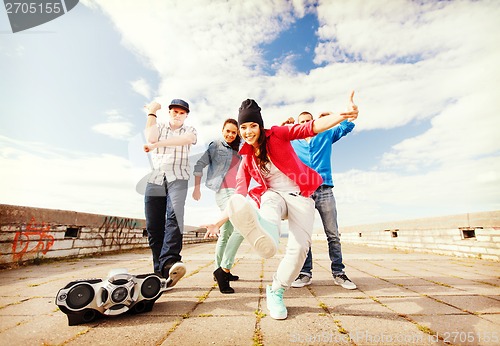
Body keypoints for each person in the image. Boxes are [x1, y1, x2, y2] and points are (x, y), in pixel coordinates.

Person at [202, 93, 358, 319]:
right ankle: (268, 237)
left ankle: (276, 290)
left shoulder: (278, 134)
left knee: (300, 249)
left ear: (260, 125)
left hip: (300, 194)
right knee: (269, 205)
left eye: (252, 125)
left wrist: (342, 115)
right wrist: (218, 221)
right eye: (243, 127)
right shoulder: (247, 156)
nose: (247, 132)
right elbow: (239, 194)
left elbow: (310, 128)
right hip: (273, 195)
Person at [284, 108, 357, 290]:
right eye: (302, 122)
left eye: (309, 121)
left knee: (332, 234)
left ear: (314, 122)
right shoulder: (293, 141)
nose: (305, 124)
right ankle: (305, 273)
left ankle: (339, 273)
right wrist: (284, 126)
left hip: (325, 190)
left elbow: (346, 127)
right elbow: (273, 142)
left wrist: (335, 116)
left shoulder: (325, 134)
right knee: (304, 235)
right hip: (303, 193)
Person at [143, 99, 197, 289]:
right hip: (156, 178)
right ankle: (160, 272)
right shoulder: (159, 126)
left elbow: (185, 141)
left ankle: (170, 261)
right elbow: (150, 137)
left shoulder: (190, 130)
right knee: (153, 225)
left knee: (173, 217)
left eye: (181, 113)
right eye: (174, 111)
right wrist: (152, 111)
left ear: (186, 115)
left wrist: (158, 145)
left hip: (178, 178)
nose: (177, 115)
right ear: (169, 112)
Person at [192, 118, 244, 294]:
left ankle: (218, 270)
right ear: (223, 130)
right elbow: (200, 164)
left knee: (227, 232)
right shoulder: (216, 145)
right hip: (222, 191)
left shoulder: (239, 148)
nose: (230, 135)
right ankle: (223, 269)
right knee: (241, 228)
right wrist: (197, 187)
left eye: (233, 132)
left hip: (236, 192)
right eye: (227, 131)